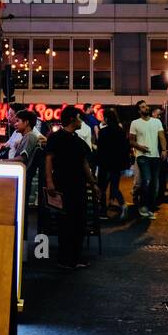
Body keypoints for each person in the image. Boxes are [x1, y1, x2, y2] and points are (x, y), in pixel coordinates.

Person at [44, 105, 98, 270]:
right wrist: (49, 181)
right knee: (65, 222)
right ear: (72, 119)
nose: (81, 121)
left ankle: (75, 257)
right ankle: (64, 259)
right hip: (62, 185)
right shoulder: (56, 137)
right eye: (79, 118)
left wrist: (92, 183)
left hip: (78, 186)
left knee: (79, 221)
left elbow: (84, 164)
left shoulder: (78, 141)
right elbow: (49, 159)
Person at [128, 100, 166, 219]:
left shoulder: (157, 121)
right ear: (139, 111)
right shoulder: (135, 123)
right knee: (147, 180)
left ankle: (150, 207)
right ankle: (143, 205)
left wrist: (164, 150)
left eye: (146, 106)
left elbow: (161, 136)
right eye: (143, 107)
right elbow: (131, 141)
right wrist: (140, 147)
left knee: (155, 184)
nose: (146, 108)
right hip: (142, 156)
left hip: (155, 156)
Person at [97, 107, 131, 219]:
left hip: (105, 164)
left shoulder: (103, 132)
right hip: (116, 164)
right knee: (115, 187)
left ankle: (103, 211)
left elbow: (100, 150)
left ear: (106, 118)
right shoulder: (120, 131)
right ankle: (123, 205)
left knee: (102, 188)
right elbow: (125, 148)